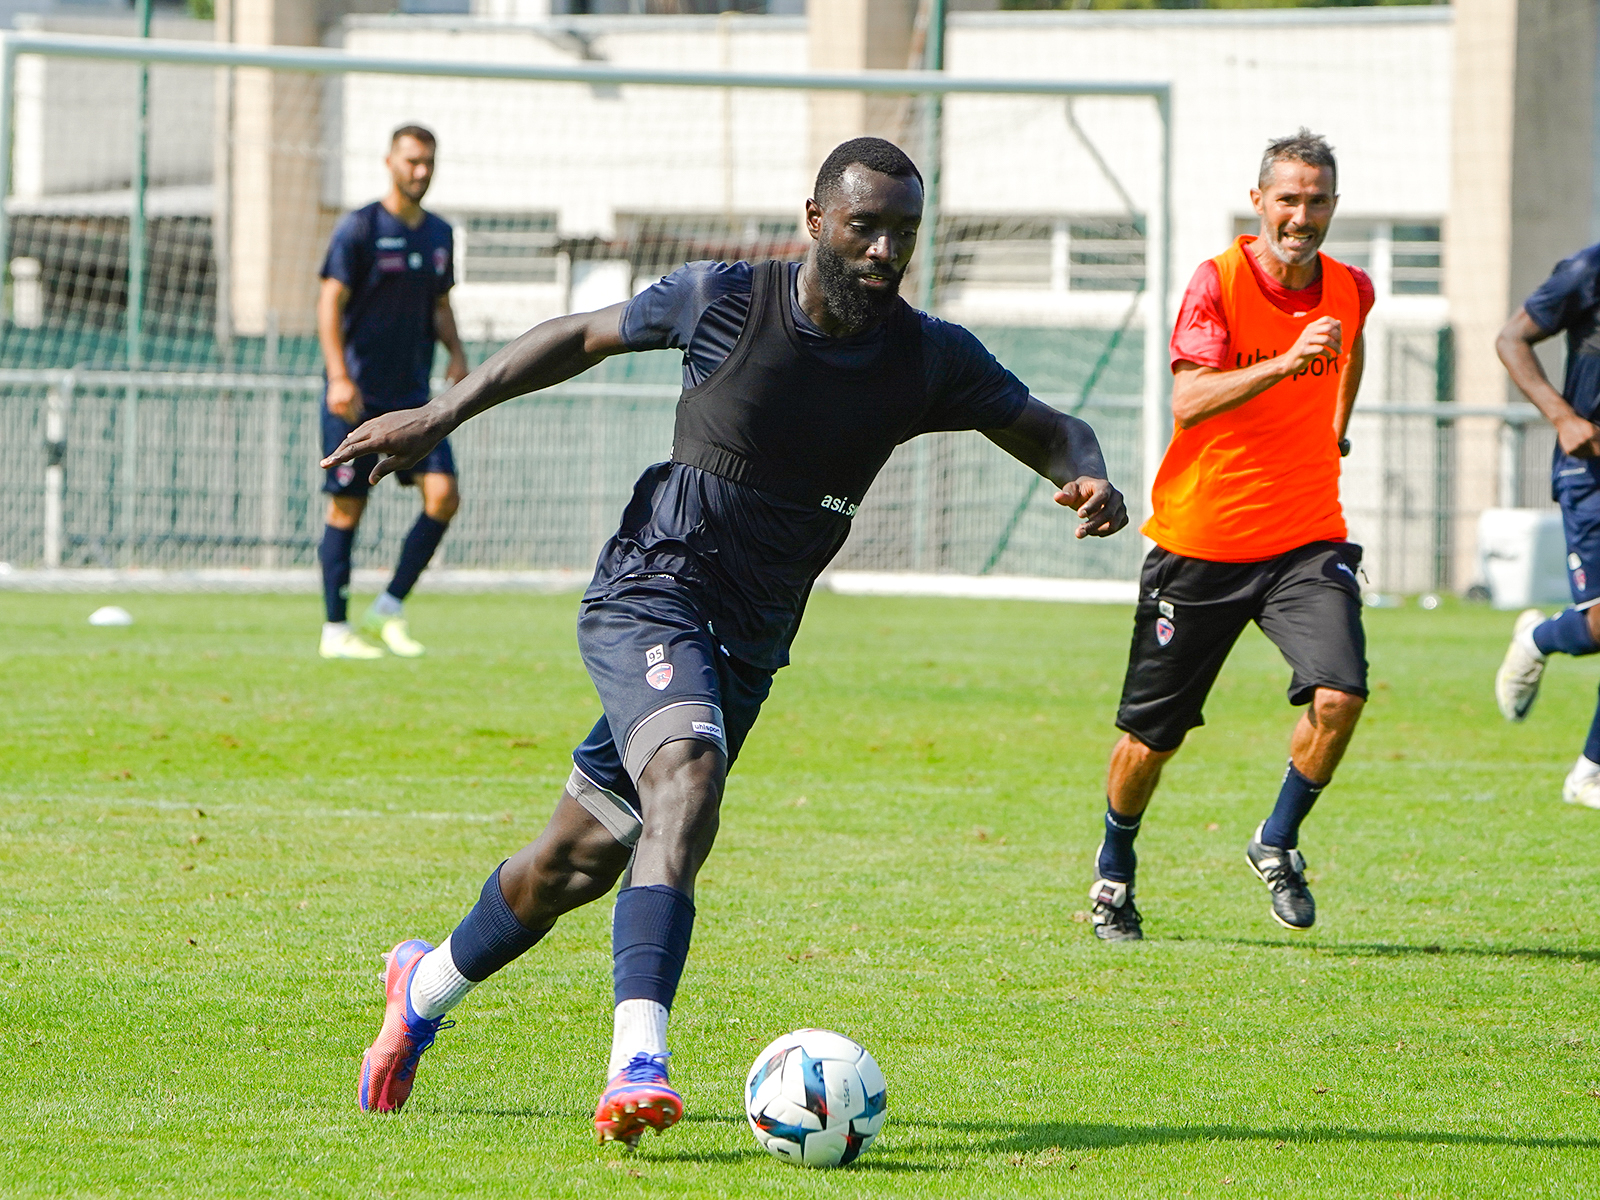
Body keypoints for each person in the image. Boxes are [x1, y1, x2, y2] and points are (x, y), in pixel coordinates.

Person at [326, 137, 1128, 1142]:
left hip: (748, 640)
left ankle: (422, 985)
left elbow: (1050, 428)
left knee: (576, 861)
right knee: (687, 777)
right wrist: (437, 415)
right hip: (652, 590)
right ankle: (637, 1059)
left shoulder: (926, 358)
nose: (883, 250)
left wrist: (1089, 476)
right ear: (815, 220)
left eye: (903, 233)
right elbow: (578, 335)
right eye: (864, 226)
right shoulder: (725, 300)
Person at [1087, 128, 1375, 942]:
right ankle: (1114, 873)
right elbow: (1191, 399)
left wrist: (1337, 429)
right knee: (1152, 737)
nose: (1302, 215)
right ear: (1260, 203)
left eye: (1317, 201)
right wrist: (1286, 364)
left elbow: (1352, 351)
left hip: (1306, 540)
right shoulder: (1215, 283)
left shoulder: (1351, 287)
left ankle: (1277, 840)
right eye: (1289, 199)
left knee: (1341, 692)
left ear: (1333, 207)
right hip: (1202, 543)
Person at [316, 124, 470, 660]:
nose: (420, 171)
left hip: (415, 402)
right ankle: (335, 630)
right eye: (411, 161)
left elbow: (440, 304)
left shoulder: (439, 235)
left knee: (444, 494)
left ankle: (389, 606)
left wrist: (456, 352)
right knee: (347, 508)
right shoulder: (358, 228)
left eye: (428, 161)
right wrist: (338, 375)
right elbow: (328, 303)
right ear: (390, 162)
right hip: (357, 397)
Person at [1492, 244, 1600, 809]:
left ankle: (1590, 773)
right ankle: (1538, 637)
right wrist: (1564, 417)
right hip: (1592, 474)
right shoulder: (1588, 271)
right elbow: (1511, 339)